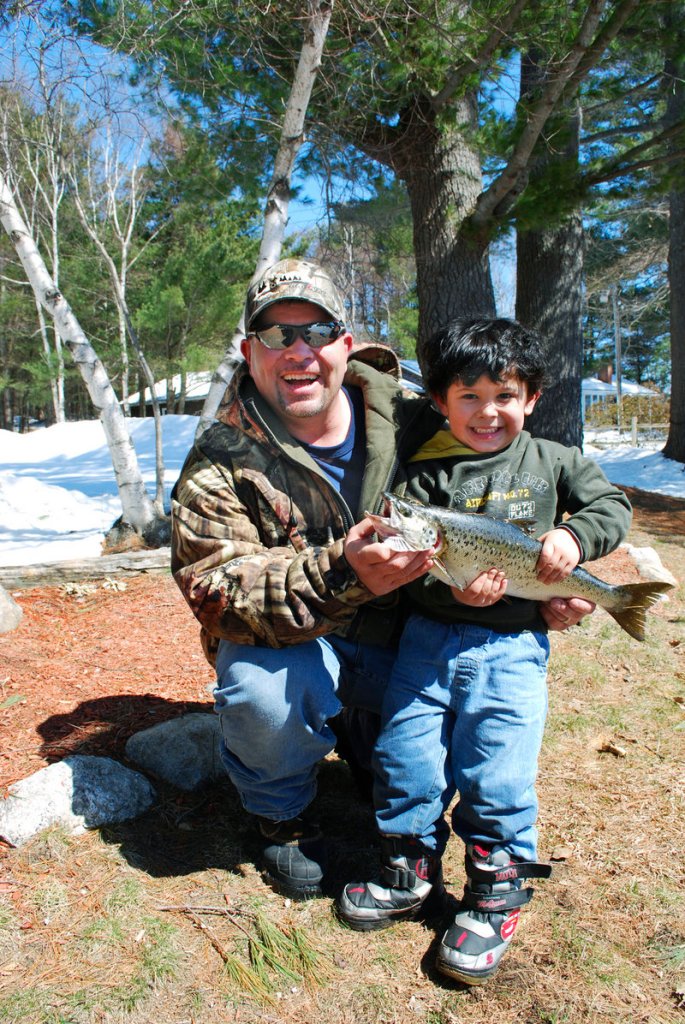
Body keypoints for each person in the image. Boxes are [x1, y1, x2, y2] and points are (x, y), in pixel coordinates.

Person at [171, 263, 594, 902]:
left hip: (407, 651)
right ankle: (281, 815)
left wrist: (548, 580)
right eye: (276, 334)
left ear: (346, 343)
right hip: (301, 651)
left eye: (316, 330)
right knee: (258, 686)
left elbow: (521, 491)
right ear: (248, 350)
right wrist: (343, 569)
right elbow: (216, 592)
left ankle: (407, 788)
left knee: (411, 753)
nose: (299, 351)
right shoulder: (220, 456)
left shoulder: (422, 416)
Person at [338, 317, 632, 985]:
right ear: (439, 402)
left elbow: (611, 505)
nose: (486, 411)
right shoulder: (425, 478)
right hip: (425, 643)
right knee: (404, 755)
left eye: (503, 395)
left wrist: (576, 540)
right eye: (466, 397)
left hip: (512, 650)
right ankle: (407, 865)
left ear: (530, 398)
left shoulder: (555, 461)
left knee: (497, 774)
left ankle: (496, 892)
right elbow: (408, 542)